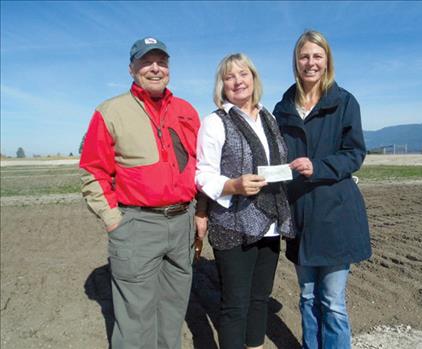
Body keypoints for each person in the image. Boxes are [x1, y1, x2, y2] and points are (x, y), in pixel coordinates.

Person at [79, 36, 207, 349]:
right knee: (135, 320)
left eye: (161, 62)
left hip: (182, 224)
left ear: (169, 68)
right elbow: (92, 171)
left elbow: (201, 166)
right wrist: (113, 220)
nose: (154, 68)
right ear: (132, 68)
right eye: (146, 62)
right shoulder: (111, 111)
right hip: (136, 225)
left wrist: (200, 210)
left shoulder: (187, 111)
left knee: (172, 313)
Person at [273, 30, 372, 349]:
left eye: (317, 56)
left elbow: (355, 153)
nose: (310, 62)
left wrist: (319, 167)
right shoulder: (283, 106)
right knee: (307, 295)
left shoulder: (344, 102)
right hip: (299, 213)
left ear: (327, 60)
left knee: (331, 301)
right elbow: (275, 155)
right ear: (296, 62)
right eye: (304, 56)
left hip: (335, 214)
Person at [195, 53, 295, 349]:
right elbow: (203, 173)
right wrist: (233, 185)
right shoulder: (215, 122)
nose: (238, 81)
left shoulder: (269, 118)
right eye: (230, 77)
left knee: (259, 299)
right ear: (222, 85)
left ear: (254, 78)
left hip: (270, 223)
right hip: (233, 225)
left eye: (243, 74)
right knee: (235, 306)